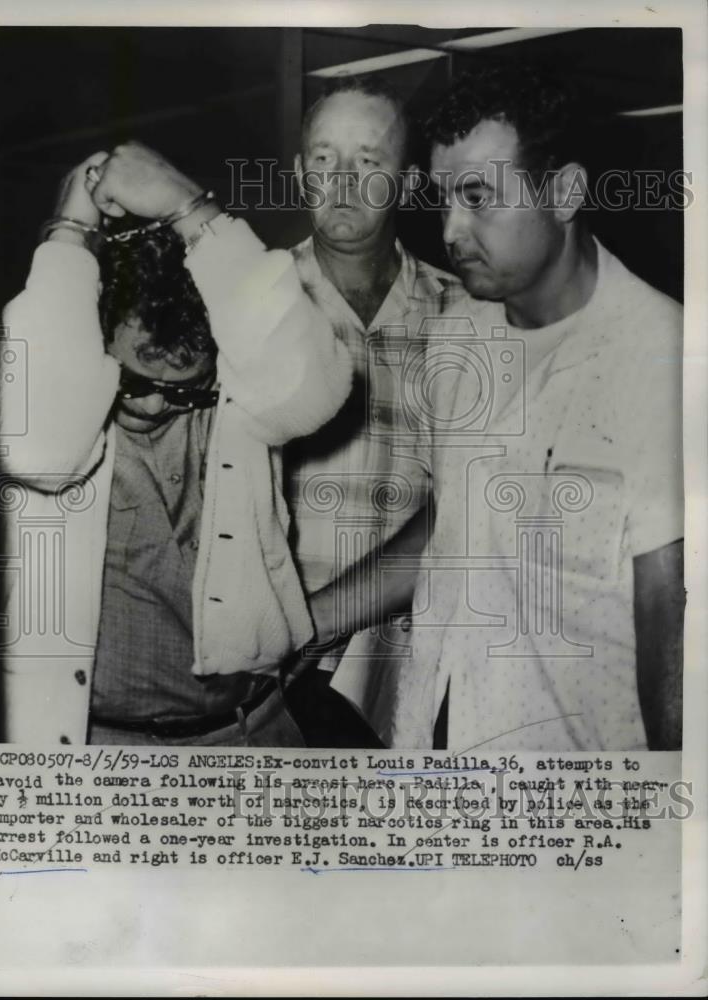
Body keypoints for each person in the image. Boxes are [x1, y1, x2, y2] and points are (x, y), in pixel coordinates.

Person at [0, 143, 352, 746]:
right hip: (109, 754)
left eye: (184, 391)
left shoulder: (240, 386)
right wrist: (69, 233)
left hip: (255, 728)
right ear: (95, 334)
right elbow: (39, 453)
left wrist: (188, 207)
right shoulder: (56, 381)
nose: (155, 404)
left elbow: (312, 391)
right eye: (133, 380)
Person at [391, 62, 684, 751]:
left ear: (564, 192)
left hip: (572, 809)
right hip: (433, 768)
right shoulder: (456, 336)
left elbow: (672, 629)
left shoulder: (664, 361)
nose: (451, 230)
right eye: (442, 199)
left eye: (476, 196)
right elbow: (454, 532)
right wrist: (306, 622)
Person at [281, 76, 465, 747]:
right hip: (268, 678)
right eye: (325, 159)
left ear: (408, 180)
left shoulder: (465, 317)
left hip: (408, 677)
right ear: (301, 173)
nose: (344, 182)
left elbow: (471, 513)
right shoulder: (252, 306)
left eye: (369, 161)